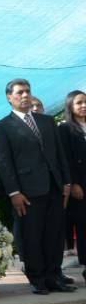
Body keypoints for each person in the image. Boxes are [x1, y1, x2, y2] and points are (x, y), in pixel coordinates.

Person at [0, 78, 76, 294]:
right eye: (19, 92)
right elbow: (4, 163)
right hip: (27, 191)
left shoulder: (46, 121)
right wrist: (14, 192)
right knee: (31, 236)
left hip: (54, 187)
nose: (25, 96)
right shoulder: (2, 127)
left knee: (55, 235)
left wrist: (66, 182)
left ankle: (54, 276)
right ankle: (37, 279)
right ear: (9, 97)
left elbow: (60, 155)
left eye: (28, 91)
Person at [58, 90, 86, 281]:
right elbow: (65, 159)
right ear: (70, 106)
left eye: (85, 102)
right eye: (79, 103)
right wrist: (73, 183)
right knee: (84, 226)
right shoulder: (65, 129)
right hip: (80, 186)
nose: (83, 106)